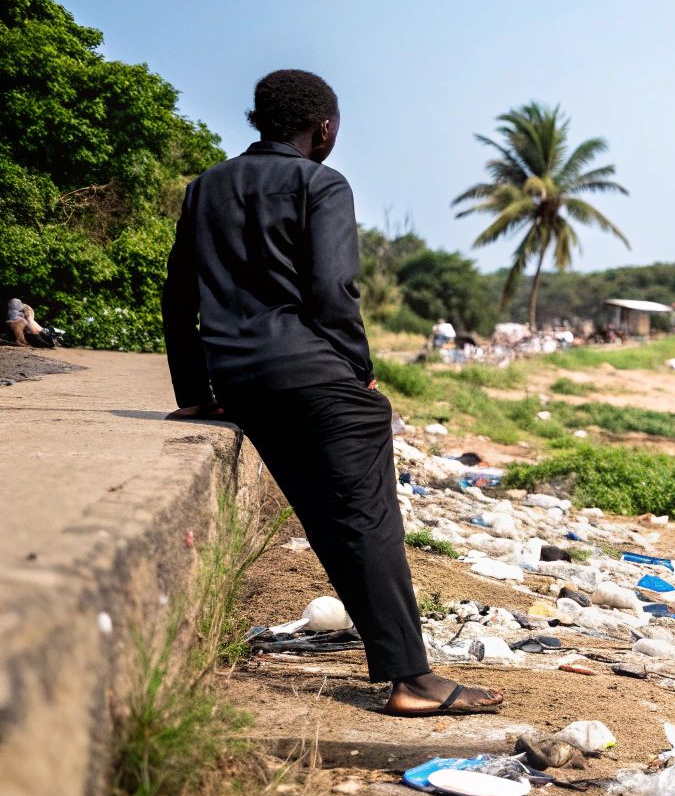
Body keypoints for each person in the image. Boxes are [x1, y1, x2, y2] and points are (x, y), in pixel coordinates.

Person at [162, 70, 503, 717]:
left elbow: (179, 295)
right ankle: (411, 679)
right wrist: (361, 371)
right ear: (323, 128)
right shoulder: (321, 183)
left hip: (240, 382)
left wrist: (196, 390)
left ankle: (402, 668)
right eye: (334, 126)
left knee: (328, 520)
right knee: (367, 520)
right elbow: (333, 290)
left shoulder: (205, 187)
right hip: (315, 374)